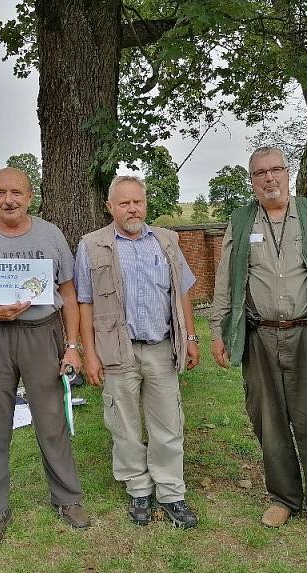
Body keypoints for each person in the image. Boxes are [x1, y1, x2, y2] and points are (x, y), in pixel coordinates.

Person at [209, 146, 307, 548]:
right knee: (268, 422)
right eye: (260, 173)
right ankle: (283, 497)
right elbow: (225, 282)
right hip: (258, 336)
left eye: (275, 170)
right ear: (252, 179)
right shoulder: (241, 222)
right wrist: (218, 331)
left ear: (287, 173)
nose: (269, 178)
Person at [0, 167, 89, 547]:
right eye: (0, 193)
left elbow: (69, 291)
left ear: (30, 196)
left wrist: (73, 345)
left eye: (16, 192)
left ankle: (67, 498)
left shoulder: (51, 235)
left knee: (52, 419)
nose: (8, 200)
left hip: (42, 334)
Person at [75, 175, 200, 528]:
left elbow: (182, 291)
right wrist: (90, 353)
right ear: (110, 207)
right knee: (124, 425)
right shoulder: (91, 245)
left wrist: (191, 337)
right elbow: (84, 302)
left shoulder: (166, 241)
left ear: (145, 204)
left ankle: (171, 492)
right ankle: (138, 489)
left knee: (168, 424)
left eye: (138, 202)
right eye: (125, 203)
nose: (133, 209)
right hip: (117, 351)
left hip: (161, 347)